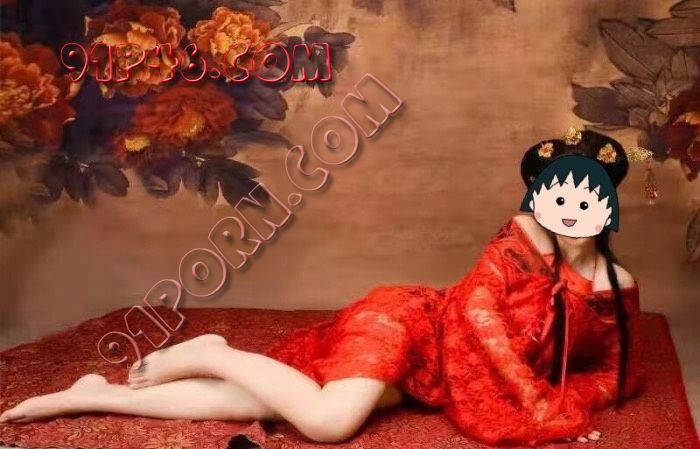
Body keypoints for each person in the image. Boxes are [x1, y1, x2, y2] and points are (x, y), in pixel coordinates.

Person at [0, 129, 643, 446]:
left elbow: (619, 371)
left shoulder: (616, 284)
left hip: (438, 371)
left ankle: (97, 395)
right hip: (412, 323)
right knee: (330, 421)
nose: (569, 209)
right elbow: (480, 318)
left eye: (585, 198)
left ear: (607, 208)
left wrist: (573, 396)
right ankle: (213, 351)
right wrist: (539, 405)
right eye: (558, 194)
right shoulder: (517, 243)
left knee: (270, 404)